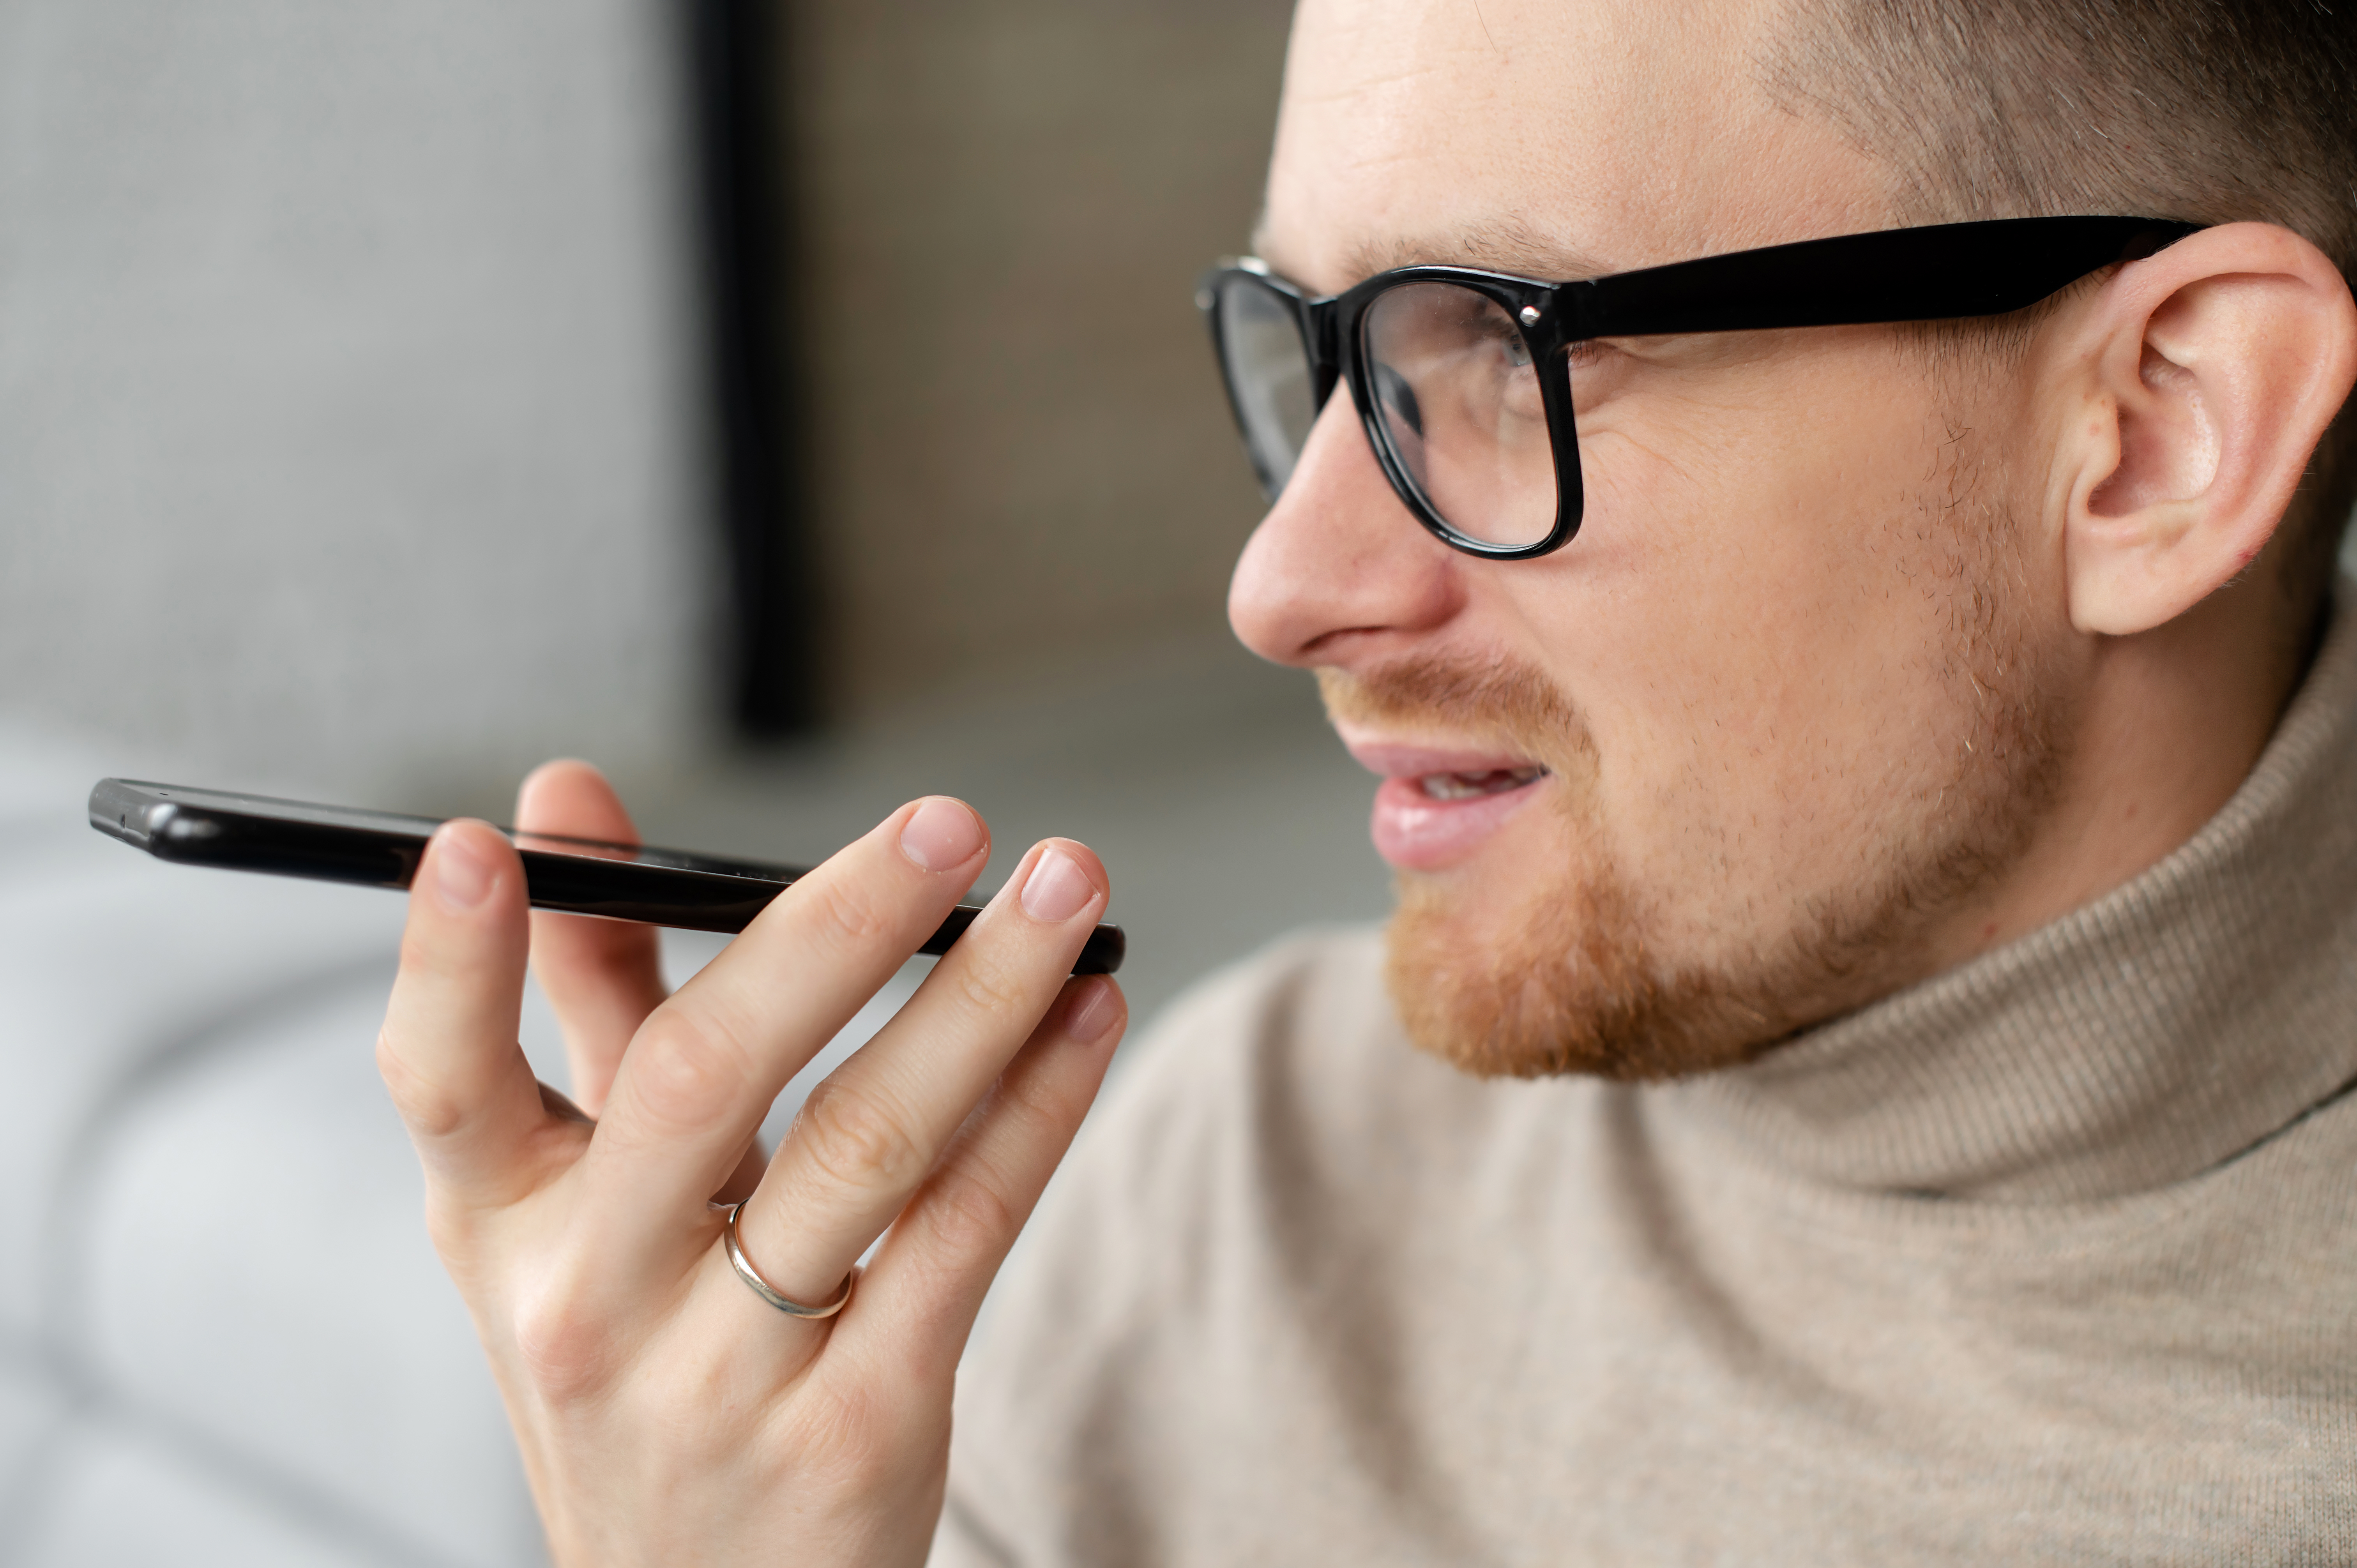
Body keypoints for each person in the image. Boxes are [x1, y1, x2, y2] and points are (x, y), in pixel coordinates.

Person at [375, 0, 2357, 1559]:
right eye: (1318, 349)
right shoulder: (1246, 1184)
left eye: (1507, 354)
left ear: (2155, 438)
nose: (1282, 587)